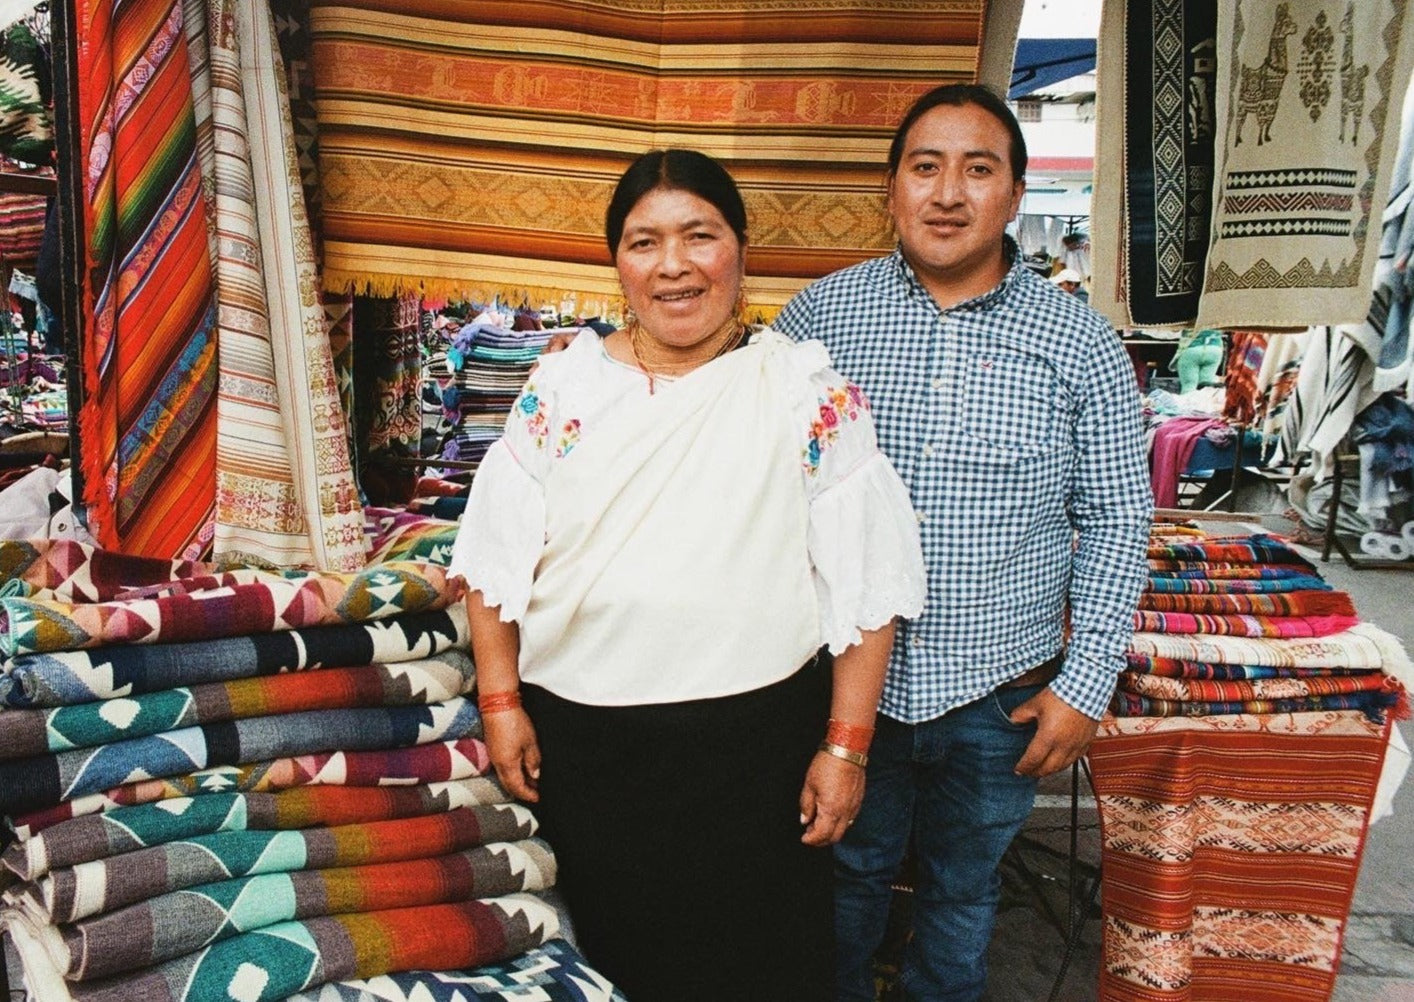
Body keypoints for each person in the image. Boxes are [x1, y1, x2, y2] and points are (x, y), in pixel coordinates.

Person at [446, 149, 926, 1002]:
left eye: (699, 236)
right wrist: (501, 701)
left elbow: (869, 586)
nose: (673, 265)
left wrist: (845, 748)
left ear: (739, 250)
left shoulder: (803, 391)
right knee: (607, 966)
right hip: (586, 754)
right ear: (618, 263)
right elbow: (493, 561)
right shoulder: (562, 386)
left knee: (753, 970)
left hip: (755, 757)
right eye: (645, 242)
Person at [772, 83, 1152, 1002]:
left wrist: (1084, 684)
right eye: (925, 168)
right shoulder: (816, 323)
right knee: (841, 881)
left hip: (1002, 693)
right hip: (842, 689)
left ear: (1015, 194)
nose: (949, 194)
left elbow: (1117, 517)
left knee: (961, 891)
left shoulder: (1081, 343)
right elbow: (760, 491)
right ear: (892, 188)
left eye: (978, 170)